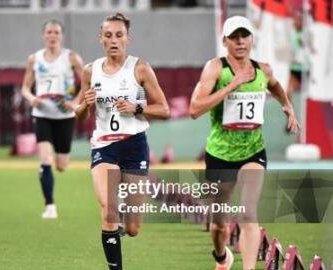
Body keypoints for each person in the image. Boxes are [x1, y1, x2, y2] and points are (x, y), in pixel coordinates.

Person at [189, 16, 299, 270]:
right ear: (225, 41)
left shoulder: (263, 70)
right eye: (234, 37)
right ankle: (221, 256)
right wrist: (231, 86)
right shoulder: (215, 69)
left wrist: (287, 106)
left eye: (244, 36)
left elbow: (275, 85)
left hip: (253, 152)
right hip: (220, 155)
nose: (240, 42)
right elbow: (194, 109)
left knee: (249, 213)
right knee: (218, 224)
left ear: (252, 39)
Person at [75, 13, 170, 270]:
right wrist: (85, 103)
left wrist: (137, 108)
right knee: (108, 207)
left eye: (119, 35)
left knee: (133, 227)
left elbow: (164, 109)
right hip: (104, 146)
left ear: (128, 38)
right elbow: (78, 111)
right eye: (108, 35)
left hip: (134, 145)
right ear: (100, 38)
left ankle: (120, 230)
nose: (113, 40)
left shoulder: (139, 68)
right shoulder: (89, 71)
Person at [21, 20, 84, 219]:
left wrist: (74, 102)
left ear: (61, 36)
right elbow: (25, 87)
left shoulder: (72, 58)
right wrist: (33, 99)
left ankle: (57, 163)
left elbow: (87, 84)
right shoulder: (34, 59)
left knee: (62, 165)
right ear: (43, 35)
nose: (52, 36)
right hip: (42, 115)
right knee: (45, 159)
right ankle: (50, 205)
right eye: (49, 32)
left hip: (65, 116)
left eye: (56, 32)